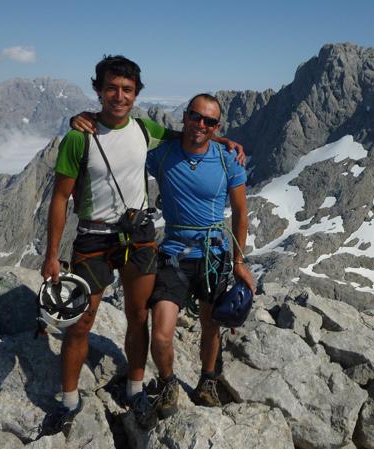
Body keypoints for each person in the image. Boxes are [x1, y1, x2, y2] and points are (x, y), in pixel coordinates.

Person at [41, 55, 242, 435]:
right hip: (93, 237)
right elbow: (59, 198)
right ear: (99, 90)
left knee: (138, 316)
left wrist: (222, 139)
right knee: (81, 323)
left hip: (139, 237)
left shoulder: (145, 129)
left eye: (127, 90)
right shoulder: (77, 137)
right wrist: (52, 255)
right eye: (112, 88)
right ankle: (68, 402)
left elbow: (192, 138)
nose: (120, 96)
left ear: (136, 94)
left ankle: (136, 389)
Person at [143, 93, 254, 419]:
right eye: (195, 117)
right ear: (185, 117)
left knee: (210, 327)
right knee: (161, 334)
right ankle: (167, 383)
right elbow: (124, 143)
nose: (200, 125)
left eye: (210, 122)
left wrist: (238, 262)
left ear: (217, 126)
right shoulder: (162, 155)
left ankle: (207, 381)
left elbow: (240, 213)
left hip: (213, 255)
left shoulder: (227, 160)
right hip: (173, 253)